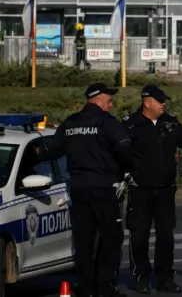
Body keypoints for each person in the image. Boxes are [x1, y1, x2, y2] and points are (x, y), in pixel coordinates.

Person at [35, 83, 133, 297]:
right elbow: (124, 148)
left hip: (78, 189)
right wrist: (128, 170)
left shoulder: (70, 123)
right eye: (109, 100)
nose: (112, 104)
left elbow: (52, 149)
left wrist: (39, 150)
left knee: (84, 239)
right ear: (97, 100)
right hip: (105, 189)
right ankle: (105, 286)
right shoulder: (108, 122)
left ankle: (87, 286)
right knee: (110, 238)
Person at [122, 85, 182, 294]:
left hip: (165, 190)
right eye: (159, 101)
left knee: (166, 237)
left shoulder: (169, 122)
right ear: (147, 103)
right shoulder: (130, 126)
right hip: (140, 191)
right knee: (139, 236)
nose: (163, 105)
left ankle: (165, 278)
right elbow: (118, 151)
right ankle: (141, 276)